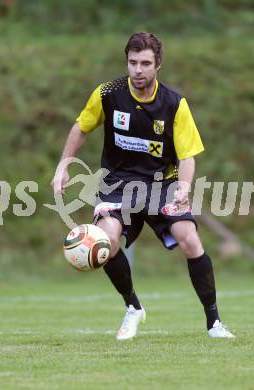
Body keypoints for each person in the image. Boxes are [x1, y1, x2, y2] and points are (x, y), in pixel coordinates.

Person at [52, 32, 235, 340]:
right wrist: (63, 164)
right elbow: (81, 127)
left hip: (162, 184)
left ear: (158, 65)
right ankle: (133, 308)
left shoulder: (175, 104)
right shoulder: (108, 92)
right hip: (117, 184)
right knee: (107, 240)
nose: (138, 70)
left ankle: (214, 322)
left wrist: (184, 187)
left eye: (145, 63)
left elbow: (188, 156)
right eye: (133, 62)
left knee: (188, 238)